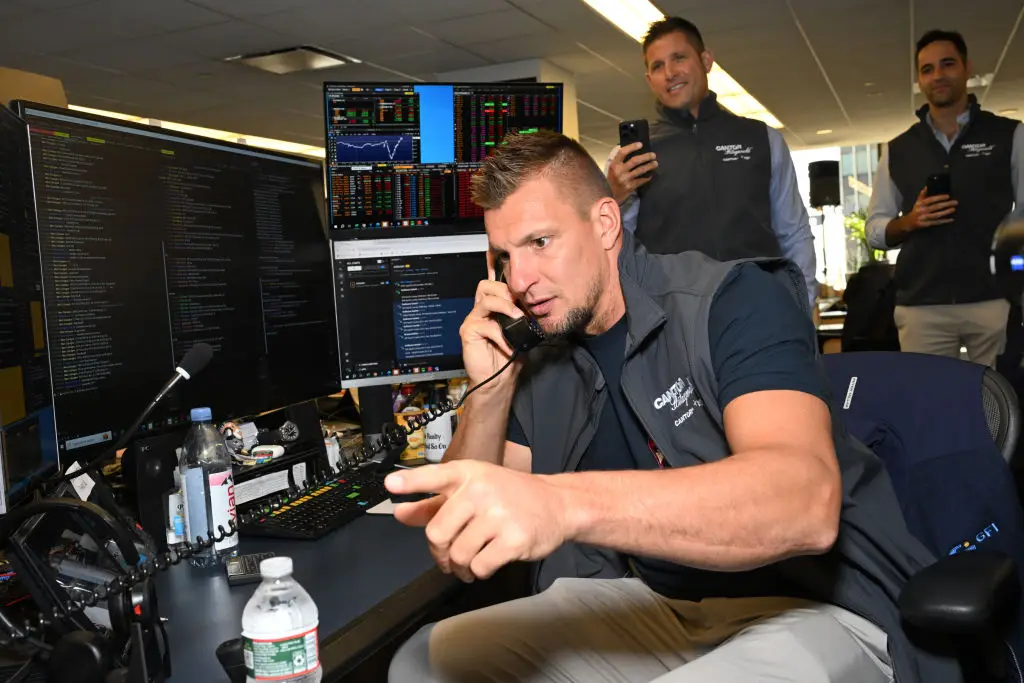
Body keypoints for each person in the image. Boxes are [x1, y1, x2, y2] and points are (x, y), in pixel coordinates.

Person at [385, 131, 962, 683]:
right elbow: (452, 526)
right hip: (666, 606)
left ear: (606, 223)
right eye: (505, 256)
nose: (521, 280)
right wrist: (490, 388)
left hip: (812, 605)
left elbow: (805, 503)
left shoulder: (733, 300)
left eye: (540, 243)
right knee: (427, 661)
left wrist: (561, 504)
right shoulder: (549, 351)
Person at [606, 16, 818, 309]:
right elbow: (614, 247)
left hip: (757, 307)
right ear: (649, 80)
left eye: (678, 58)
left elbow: (793, 232)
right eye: (657, 66)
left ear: (706, 60)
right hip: (674, 320)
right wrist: (613, 197)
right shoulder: (632, 156)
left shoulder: (763, 140)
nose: (669, 73)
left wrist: (802, 304)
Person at [866, 29, 1024, 368]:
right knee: (928, 405)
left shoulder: (1009, 135)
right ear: (919, 80)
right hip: (922, 304)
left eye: (947, 64)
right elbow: (875, 229)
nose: (937, 75)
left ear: (967, 68)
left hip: (993, 299)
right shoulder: (898, 150)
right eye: (927, 69)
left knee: (998, 403)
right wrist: (909, 221)